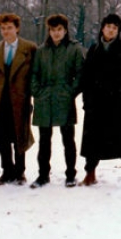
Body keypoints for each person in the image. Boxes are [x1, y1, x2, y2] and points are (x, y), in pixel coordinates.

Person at [79, 14, 121, 187]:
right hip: (95, 103)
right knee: (93, 139)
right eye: (108, 27)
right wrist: (86, 100)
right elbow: (86, 77)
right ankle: (90, 173)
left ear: (118, 31)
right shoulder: (93, 49)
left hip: (116, 102)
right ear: (102, 28)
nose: (111, 30)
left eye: (115, 28)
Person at [30, 14, 85, 189]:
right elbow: (34, 75)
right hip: (44, 100)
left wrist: (70, 92)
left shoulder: (74, 49)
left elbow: (80, 75)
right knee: (44, 141)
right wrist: (38, 92)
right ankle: (43, 174)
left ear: (65, 30)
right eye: (53, 30)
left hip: (64, 99)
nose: (56, 33)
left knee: (68, 140)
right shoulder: (41, 51)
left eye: (59, 29)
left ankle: (70, 174)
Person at [0, 13, 37, 186]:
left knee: (19, 135)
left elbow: (35, 74)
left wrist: (31, 94)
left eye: (10, 28)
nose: (6, 32)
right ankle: (7, 170)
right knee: (1, 136)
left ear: (17, 28)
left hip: (20, 99)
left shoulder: (29, 48)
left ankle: (20, 172)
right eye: (3, 28)